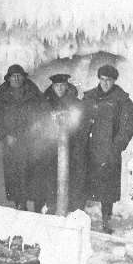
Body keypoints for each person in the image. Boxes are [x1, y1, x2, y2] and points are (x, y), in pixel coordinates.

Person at [82, 64, 133, 233]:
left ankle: (106, 222)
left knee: (107, 189)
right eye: (102, 80)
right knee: (84, 183)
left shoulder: (122, 100)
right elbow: (81, 121)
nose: (104, 84)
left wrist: (116, 147)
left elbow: (127, 127)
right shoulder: (89, 97)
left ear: (114, 81)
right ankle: (81, 220)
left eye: (109, 80)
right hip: (89, 150)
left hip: (109, 152)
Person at [0, 64, 47, 211]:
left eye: (19, 75)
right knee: (16, 178)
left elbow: (44, 115)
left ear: (24, 77)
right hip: (13, 146)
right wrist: (5, 136)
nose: (16, 78)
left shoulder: (34, 94)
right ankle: (20, 209)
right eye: (13, 76)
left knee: (35, 178)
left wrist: (37, 132)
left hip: (33, 144)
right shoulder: (3, 97)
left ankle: (38, 212)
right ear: (8, 79)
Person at [41, 73, 84, 214]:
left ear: (67, 86)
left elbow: (81, 125)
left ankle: (70, 210)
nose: (59, 89)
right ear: (52, 87)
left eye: (62, 85)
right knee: (51, 180)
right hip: (51, 149)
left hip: (71, 148)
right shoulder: (46, 103)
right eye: (57, 86)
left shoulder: (76, 103)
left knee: (71, 180)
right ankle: (53, 208)